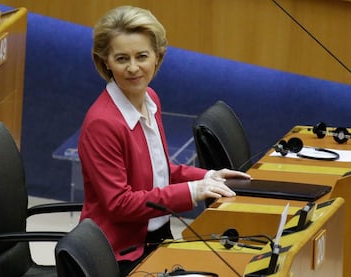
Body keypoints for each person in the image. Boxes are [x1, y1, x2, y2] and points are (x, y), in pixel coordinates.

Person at [78, 5, 251, 276]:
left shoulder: (151, 100)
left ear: (158, 57)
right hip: (120, 254)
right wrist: (193, 191)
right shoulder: (103, 123)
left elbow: (160, 172)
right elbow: (120, 204)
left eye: (141, 56)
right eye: (122, 58)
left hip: (159, 236)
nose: (133, 68)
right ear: (106, 62)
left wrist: (210, 176)